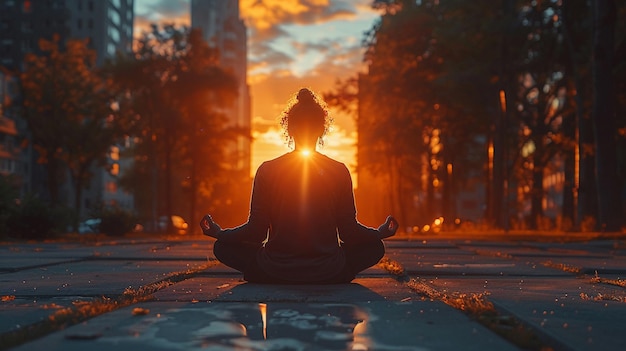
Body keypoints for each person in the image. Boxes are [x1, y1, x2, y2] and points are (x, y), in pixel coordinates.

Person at [200, 88, 398, 284]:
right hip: (329, 271)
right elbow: (349, 231)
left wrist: (219, 233)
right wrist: (379, 233)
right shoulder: (338, 171)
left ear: (290, 129)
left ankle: (267, 273)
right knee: (376, 247)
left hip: (274, 270)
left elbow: (256, 231)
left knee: (222, 247)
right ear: (322, 129)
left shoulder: (267, 170)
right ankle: (332, 273)